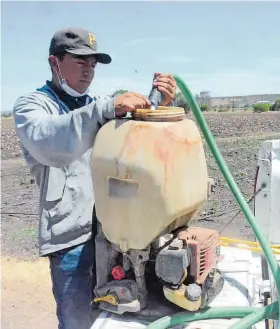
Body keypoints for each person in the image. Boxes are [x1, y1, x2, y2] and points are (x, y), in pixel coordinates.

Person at [13, 27, 177, 329]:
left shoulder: (97, 103)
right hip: (69, 239)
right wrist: (105, 109)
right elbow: (51, 143)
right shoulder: (32, 107)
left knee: (116, 313)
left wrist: (156, 105)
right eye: (80, 61)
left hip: (113, 231)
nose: (88, 70)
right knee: (76, 320)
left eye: (93, 63)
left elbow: (132, 136)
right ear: (54, 63)